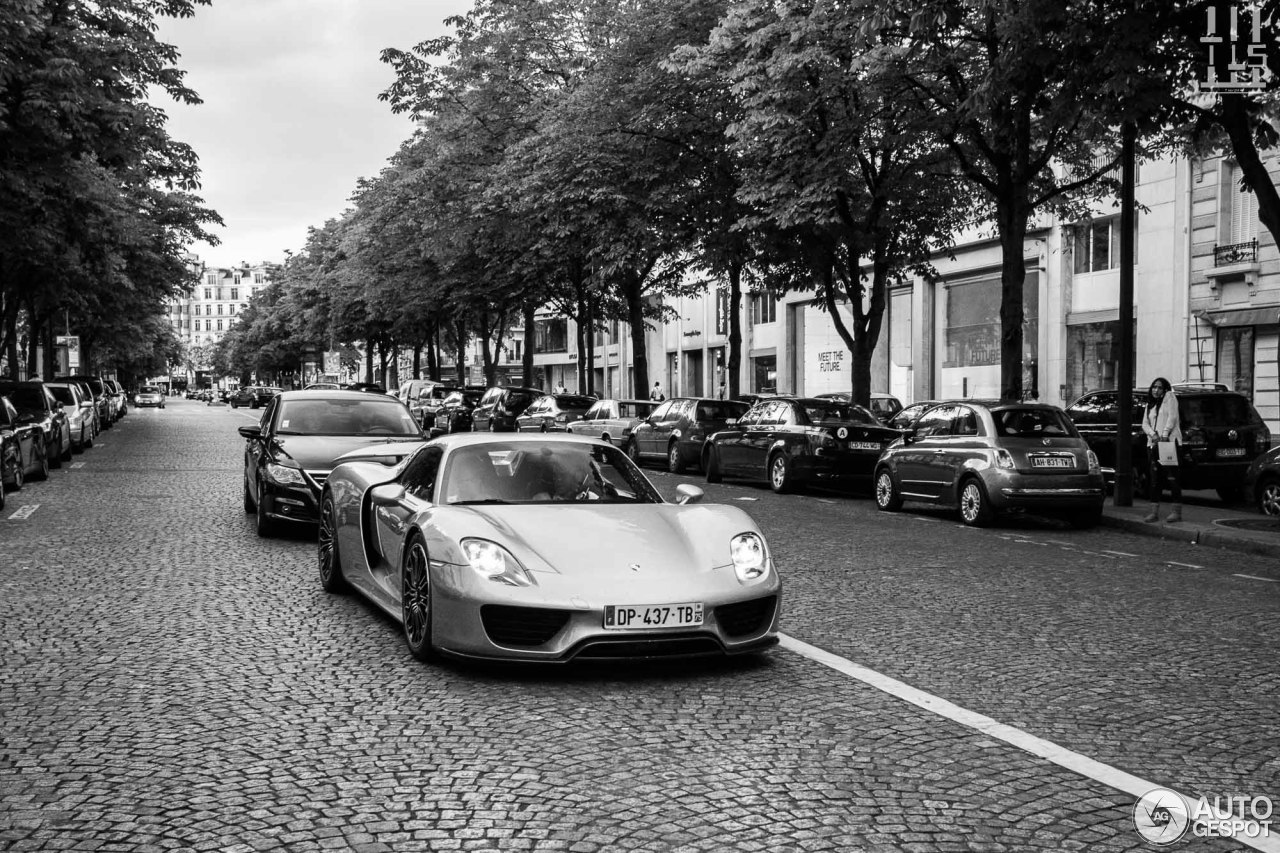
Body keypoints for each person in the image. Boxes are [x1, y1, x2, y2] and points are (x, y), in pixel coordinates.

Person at [1141, 376, 1183, 523]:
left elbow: (1172, 417)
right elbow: (1145, 424)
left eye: (1159, 387)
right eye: (1154, 387)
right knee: (1155, 479)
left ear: (1165, 389)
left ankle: (1176, 512)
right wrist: (1153, 435)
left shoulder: (1170, 398)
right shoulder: (1150, 405)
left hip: (1167, 443)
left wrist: (1164, 434)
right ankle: (1154, 512)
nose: (1156, 390)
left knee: (1172, 477)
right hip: (1153, 444)